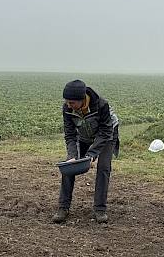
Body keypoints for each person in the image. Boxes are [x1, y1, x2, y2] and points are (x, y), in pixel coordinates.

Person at [53, 80, 120, 224]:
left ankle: (100, 209)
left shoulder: (101, 105)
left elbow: (106, 132)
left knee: (103, 167)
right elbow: (70, 135)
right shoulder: (67, 108)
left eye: (72, 103)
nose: (69, 105)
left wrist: (91, 154)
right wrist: (72, 156)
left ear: (82, 100)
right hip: (83, 136)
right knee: (68, 167)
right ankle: (63, 207)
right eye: (67, 102)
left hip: (107, 135)